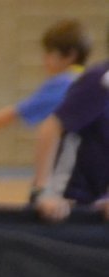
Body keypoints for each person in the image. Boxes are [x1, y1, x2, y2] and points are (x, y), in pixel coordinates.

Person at [0, 19, 90, 197]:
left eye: (50, 53)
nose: (45, 60)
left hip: (66, 180)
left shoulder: (63, 84)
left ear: (70, 55)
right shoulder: (90, 80)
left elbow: (15, 113)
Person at [33, 25, 109, 223]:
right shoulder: (99, 81)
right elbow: (52, 126)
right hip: (66, 202)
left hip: (97, 203)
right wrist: (43, 191)